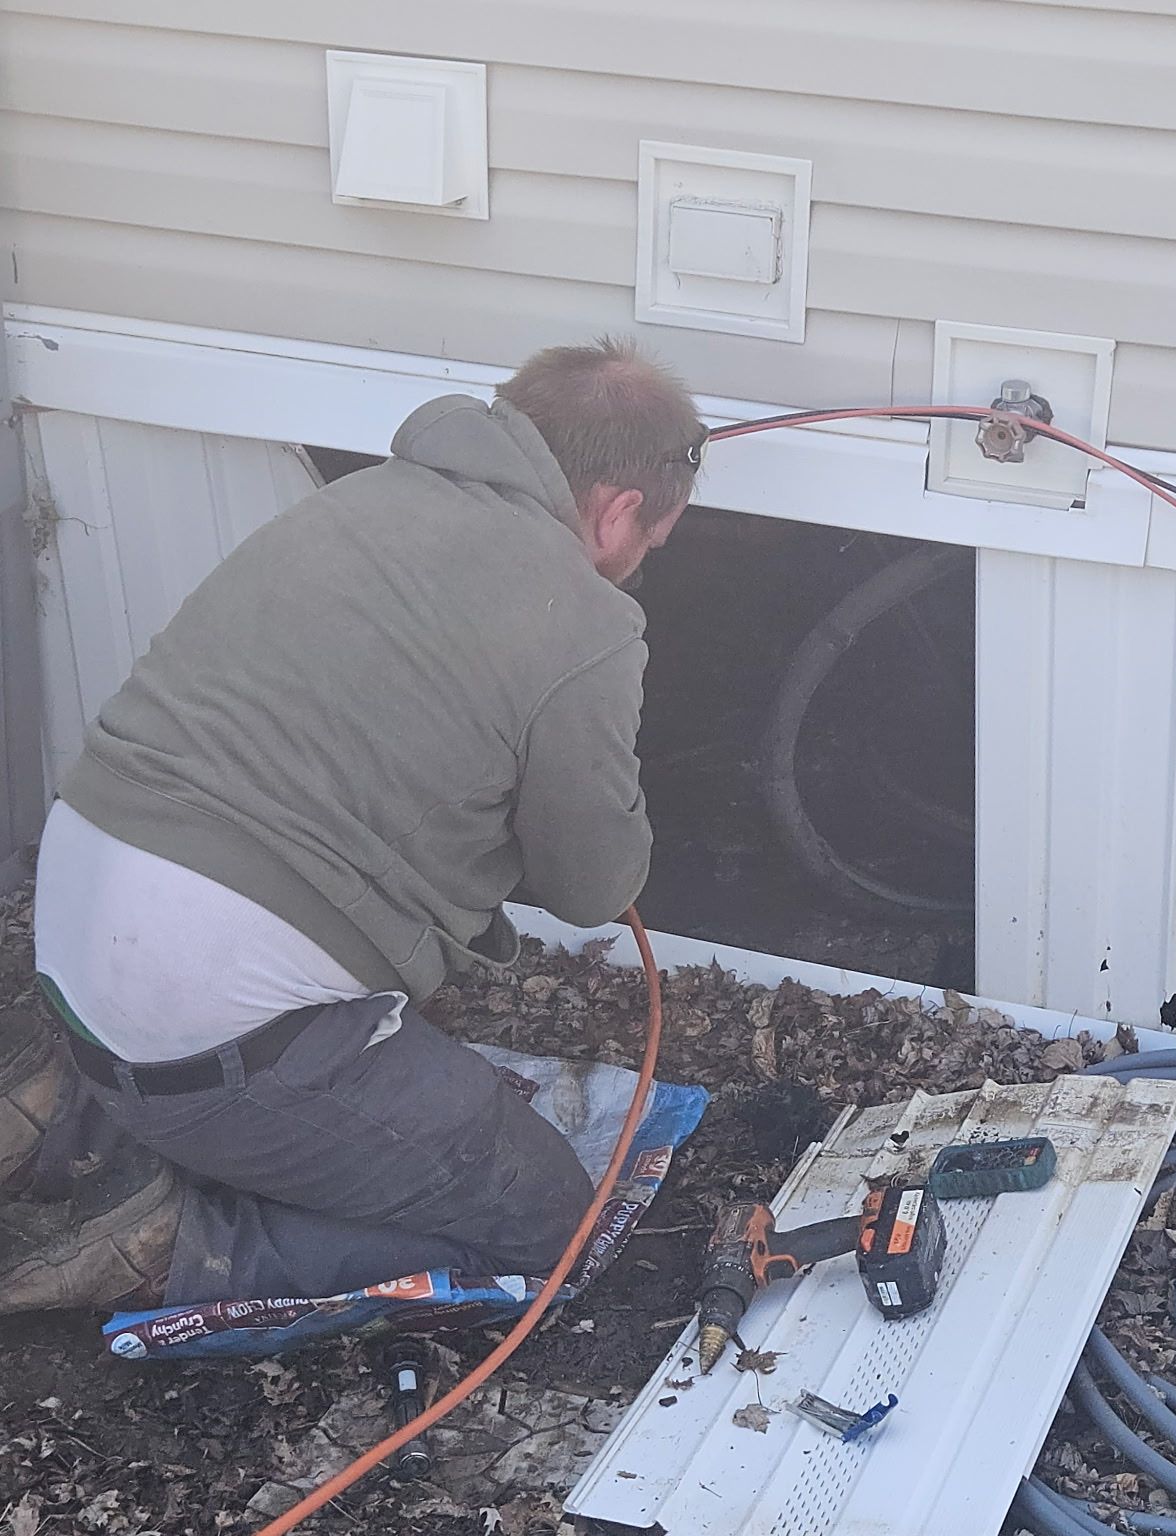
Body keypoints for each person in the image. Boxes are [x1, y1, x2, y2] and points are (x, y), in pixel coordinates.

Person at [0, 336, 705, 1315]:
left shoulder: (358, 503)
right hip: (204, 1033)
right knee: (547, 1216)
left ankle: (71, 1109)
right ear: (619, 508)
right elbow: (593, 886)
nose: (633, 568)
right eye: (648, 543)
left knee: (220, 1027)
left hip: (77, 928)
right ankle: (194, 1245)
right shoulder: (585, 623)